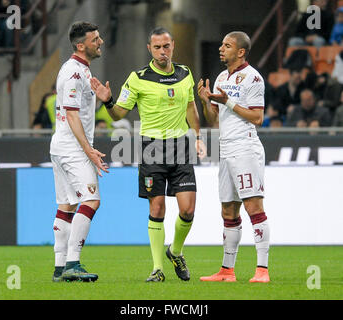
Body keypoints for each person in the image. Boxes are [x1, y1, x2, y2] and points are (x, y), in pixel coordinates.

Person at [91, 27, 207, 282]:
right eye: (157, 47)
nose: (162, 51)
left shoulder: (185, 73)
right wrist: (108, 101)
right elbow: (119, 113)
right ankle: (157, 269)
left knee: (187, 210)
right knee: (157, 206)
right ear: (149, 49)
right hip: (151, 149)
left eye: (166, 46)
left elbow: (191, 108)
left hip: (180, 148)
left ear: (173, 45)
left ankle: (175, 252)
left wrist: (198, 137)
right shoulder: (138, 77)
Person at [197, 31, 270, 283]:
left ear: (240, 52)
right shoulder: (220, 77)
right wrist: (207, 101)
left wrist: (228, 103)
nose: (221, 48)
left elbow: (258, 118)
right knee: (228, 209)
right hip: (225, 148)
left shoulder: (253, 78)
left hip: (245, 148)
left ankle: (262, 270)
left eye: (227, 46)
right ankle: (227, 271)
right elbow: (214, 120)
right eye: (221, 44)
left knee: (253, 207)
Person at [50, 21, 109, 282]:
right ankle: (73, 262)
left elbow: (78, 112)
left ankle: (60, 267)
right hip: (73, 148)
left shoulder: (80, 71)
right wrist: (90, 151)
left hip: (61, 146)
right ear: (80, 45)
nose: (101, 42)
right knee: (92, 200)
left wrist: (105, 99)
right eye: (95, 39)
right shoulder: (74, 72)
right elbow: (72, 114)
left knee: (68, 205)